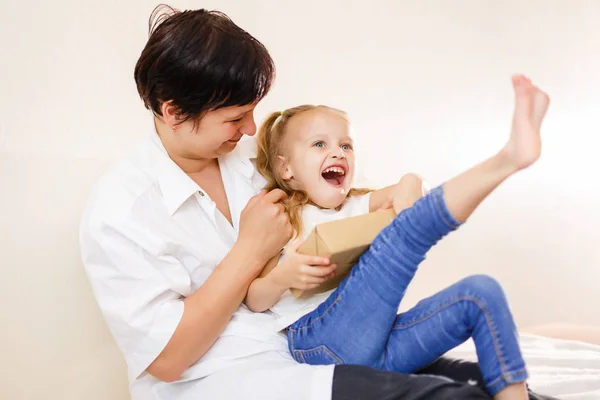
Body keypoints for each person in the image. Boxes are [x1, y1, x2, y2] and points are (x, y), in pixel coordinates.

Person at [79, 6, 555, 400]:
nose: (250, 130)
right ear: (175, 112)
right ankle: (508, 159)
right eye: (235, 117)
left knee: (484, 383)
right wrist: (249, 251)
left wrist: (393, 197)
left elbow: (347, 202)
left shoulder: (255, 160)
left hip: (308, 339)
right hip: (233, 379)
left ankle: (507, 160)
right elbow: (166, 359)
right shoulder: (120, 211)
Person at [245, 74, 548, 400]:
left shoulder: (359, 204)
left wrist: (410, 180)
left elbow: (415, 191)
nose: (338, 153)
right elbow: (253, 298)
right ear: (286, 168)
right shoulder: (284, 216)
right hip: (319, 343)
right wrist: (283, 276)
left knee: (480, 293)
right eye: (320, 144)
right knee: (405, 233)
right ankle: (509, 158)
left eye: (345, 145)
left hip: (379, 349)